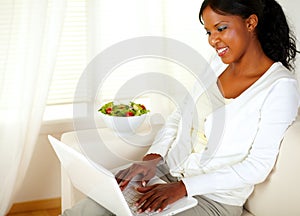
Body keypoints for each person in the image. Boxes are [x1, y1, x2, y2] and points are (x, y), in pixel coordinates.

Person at [62, 0, 300, 215]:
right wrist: (152, 158)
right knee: (92, 208)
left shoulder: (280, 87)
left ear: (251, 23)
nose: (212, 40)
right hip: (167, 173)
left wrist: (184, 188)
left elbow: (257, 166)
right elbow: (179, 116)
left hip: (212, 200)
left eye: (221, 28)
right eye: (208, 31)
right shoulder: (216, 65)